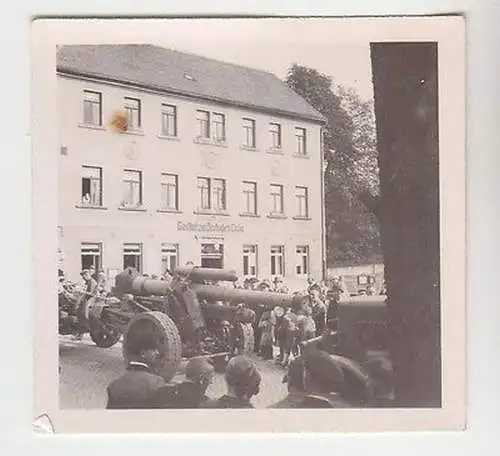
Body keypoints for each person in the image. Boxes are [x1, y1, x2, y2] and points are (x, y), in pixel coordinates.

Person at [106, 332, 165, 409]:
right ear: (143, 353)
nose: (157, 353)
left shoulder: (114, 385)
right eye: (153, 350)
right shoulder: (156, 383)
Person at [151, 357, 215, 408]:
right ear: (202, 379)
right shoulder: (201, 402)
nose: (211, 382)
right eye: (211, 378)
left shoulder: (164, 391)